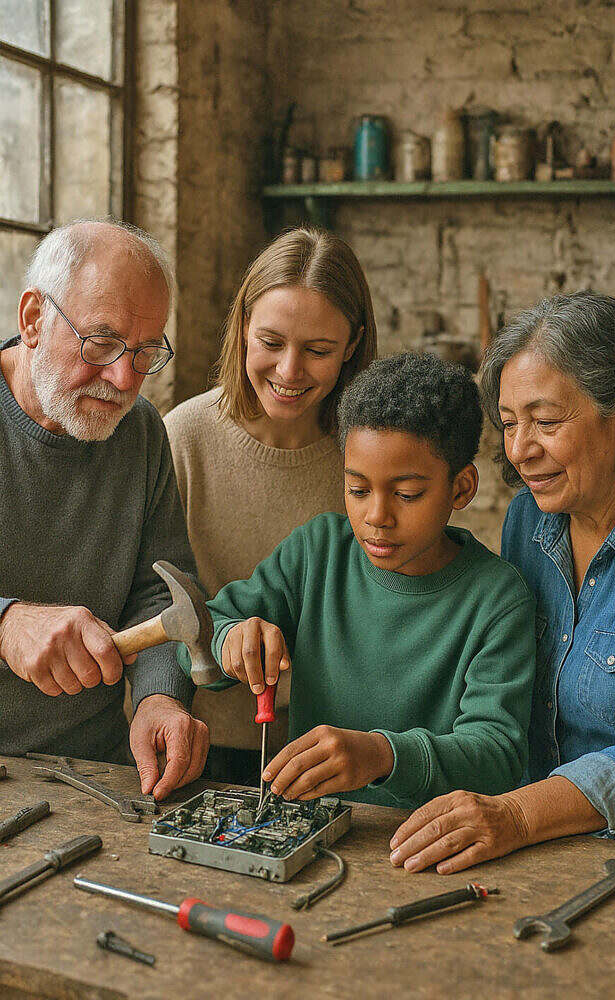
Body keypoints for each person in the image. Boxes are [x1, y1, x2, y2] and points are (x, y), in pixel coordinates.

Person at [177, 353, 536, 808]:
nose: (376, 517)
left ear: (462, 488)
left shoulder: (498, 599)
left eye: (407, 494)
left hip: (425, 844)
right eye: (358, 490)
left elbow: (497, 754)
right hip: (307, 828)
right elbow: (199, 630)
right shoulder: (318, 552)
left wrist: (383, 755)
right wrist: (231, 640)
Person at [389, 292, 615, 874]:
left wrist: (515, 815)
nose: (519, 452)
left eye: (545, 422)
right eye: (511, 424)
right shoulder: (529, 521)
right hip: (533, 855)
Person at [0, 219, 208, 800]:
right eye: (102, 343)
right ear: (33, 319)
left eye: (144, 352)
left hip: (96, 775)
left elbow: (160, 591)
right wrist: (6, 623)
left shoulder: (139, 430)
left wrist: (158, 697)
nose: (122, 378)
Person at [164, 227, 377, 780]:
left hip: (333, 756)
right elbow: (145, 597)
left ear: (352, 346)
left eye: (318, 350)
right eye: (271, 342)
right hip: (191, 744)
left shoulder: (368, 458)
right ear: (242, 328)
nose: (288, 371)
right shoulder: (182, 437)